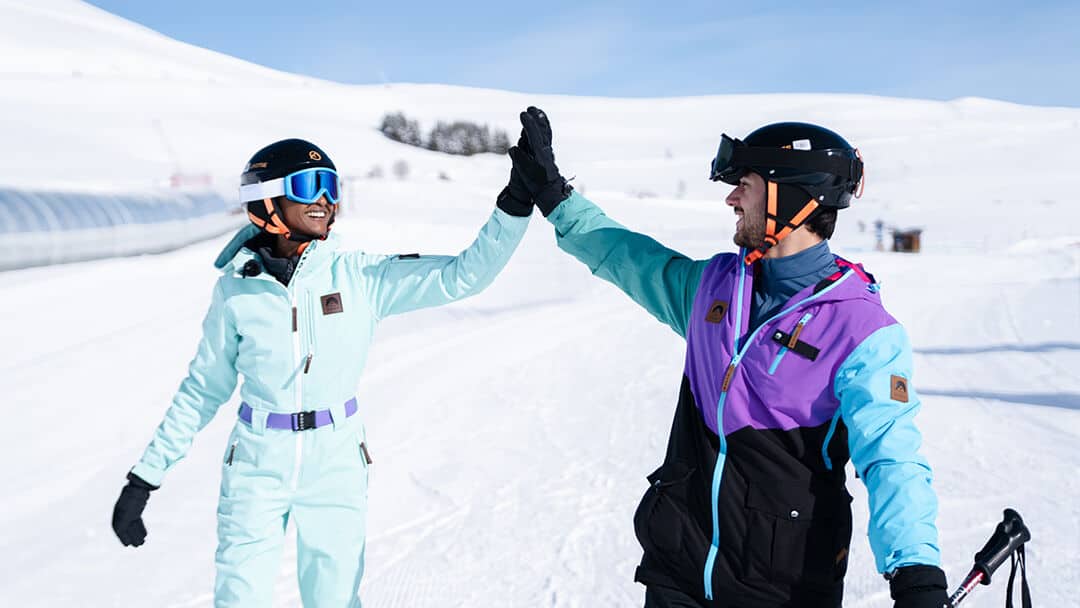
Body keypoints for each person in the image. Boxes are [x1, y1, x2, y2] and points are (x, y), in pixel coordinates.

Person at [508, 108, 946, 608]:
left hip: (781, 588)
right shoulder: (716, 288)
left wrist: (916, 573)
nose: (732, 197)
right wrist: (556, 200)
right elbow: (628, 258)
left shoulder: (863, 331)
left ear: (795, 198)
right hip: (678, 570)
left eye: (747, 185)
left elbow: (894, 458)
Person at [110, 138, 534, 607]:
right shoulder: (235, 291)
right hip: (255, 463)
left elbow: (463, 275)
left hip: (335, 461)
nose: (325, 199)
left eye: (332, 186)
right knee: (238, 600)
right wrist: (144, 478)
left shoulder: (360, 277)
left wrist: (514, 204)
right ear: (267, 198)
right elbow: (201, 391)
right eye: (311, 184)